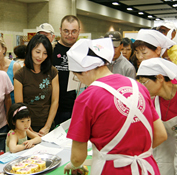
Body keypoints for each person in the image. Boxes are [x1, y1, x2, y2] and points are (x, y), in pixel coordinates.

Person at [64, 38, 167, 175]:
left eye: (77, 77)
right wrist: (133, 153)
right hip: (147, 168)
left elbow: (78, 157)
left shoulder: (86, 98)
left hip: (112, 170)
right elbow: (160, 135)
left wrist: (74, 164)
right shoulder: (138, 87)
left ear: (85, 71)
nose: (80, 82)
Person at [137, 58, 177, 175]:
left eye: (145, 82)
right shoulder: (155, 103)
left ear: (160, 78)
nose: (143, 87)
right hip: (169, 152)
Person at [14, 34, 59, 136]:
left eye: (45, 53)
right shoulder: (20, 74)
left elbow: (55, 101)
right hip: (26, 127)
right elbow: (20, 106)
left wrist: (47, 127)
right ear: (30, 50)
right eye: (37, 52)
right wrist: (29, 130)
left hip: (48, 125)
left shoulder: (52, 71)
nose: (40, 57)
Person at [53, 15, 80, 126]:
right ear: (60, 30)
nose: (70, 35)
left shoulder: (82, 51)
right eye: (66, 31)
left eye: (73, 31)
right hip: (53, 108)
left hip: (76, 107)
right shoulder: (51, 50)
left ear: (79, 31)